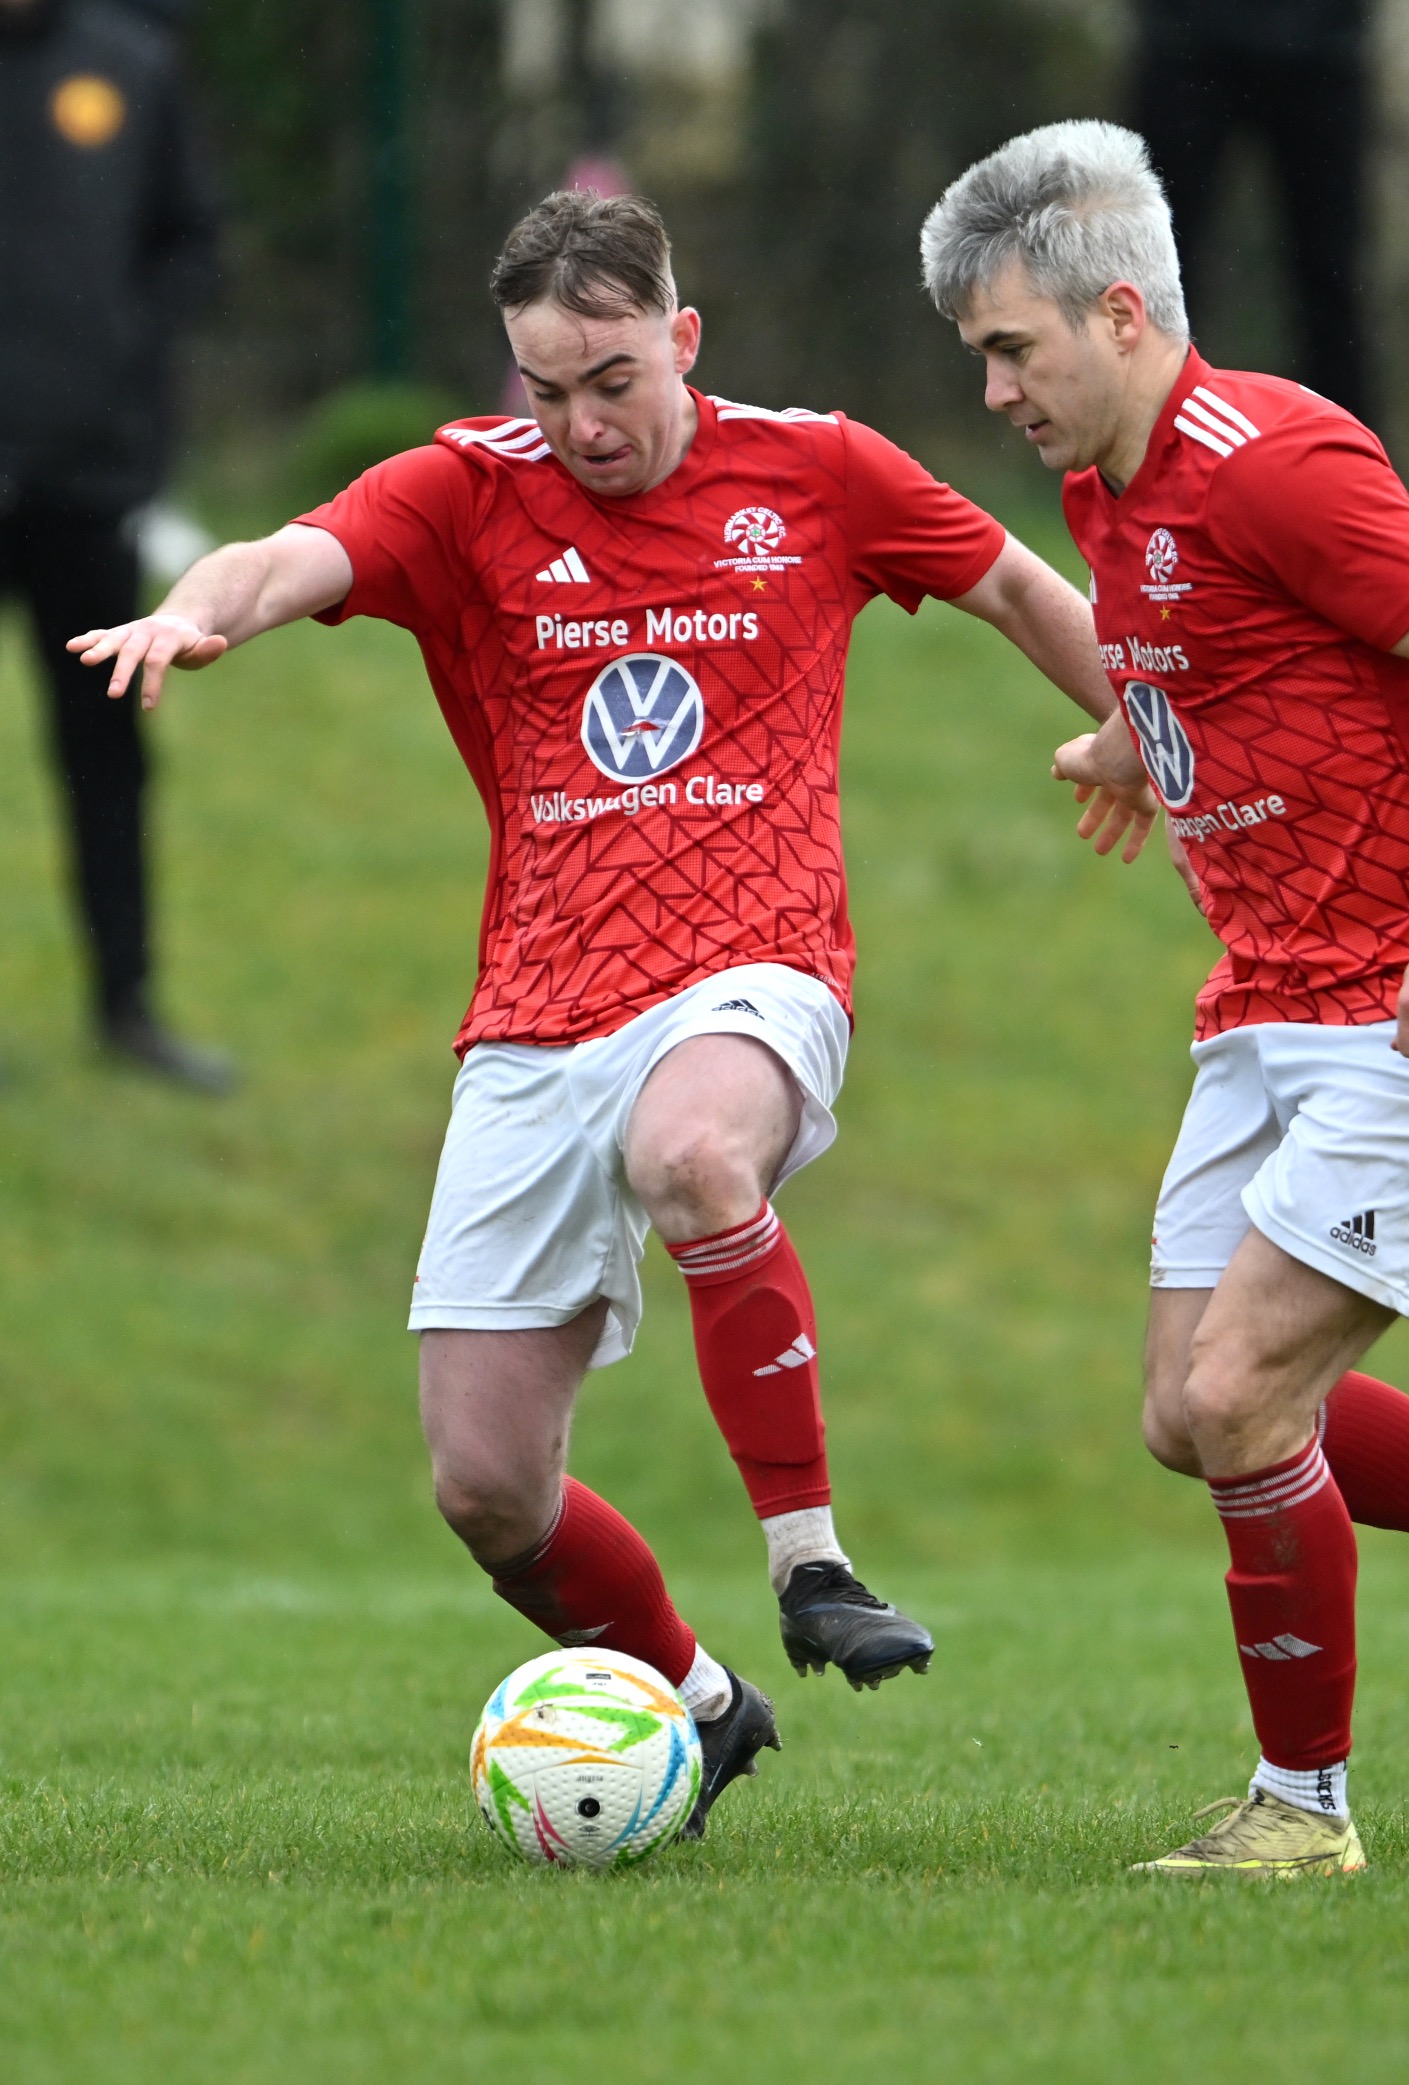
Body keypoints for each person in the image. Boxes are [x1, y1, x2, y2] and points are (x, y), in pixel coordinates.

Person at [69, 188, 1160, 1837]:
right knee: (485, 1485)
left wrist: (1153, 733)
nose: (579, 423)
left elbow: (1016, 586)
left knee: (695, 1153)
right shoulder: (463, 491)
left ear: (683, 339)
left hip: (752, 961)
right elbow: (284, 556)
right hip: (536, 1010)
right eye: (545, 387)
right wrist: (192, 611)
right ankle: (704, 1705)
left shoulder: (818, 470)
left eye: (612, 380)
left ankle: (812, 1563)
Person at [921, 121, 1409, 1877]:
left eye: (1011, 350)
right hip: (1268, 996)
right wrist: (1139, 739)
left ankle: (1302, 1814)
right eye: (978, 359)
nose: (995, 392)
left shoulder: (1274, 457)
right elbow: (1237, 654)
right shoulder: (1105, 485)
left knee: (1246, 1391)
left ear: (1119, 316)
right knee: (1186, 1413)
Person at [0, 0, 229, 1087]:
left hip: (87, 483)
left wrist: (112, 361)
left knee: (105, 750)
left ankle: (127, 1006)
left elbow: (190, 243)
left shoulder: (129, 65)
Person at [1131, 0, 1373, 423]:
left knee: (1331, 279)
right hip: (1187, 43)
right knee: (1152, 271)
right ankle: (1135, 449)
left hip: (1320, 49)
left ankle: (1344, 454)